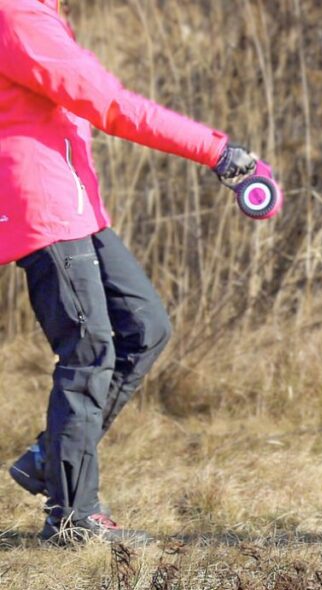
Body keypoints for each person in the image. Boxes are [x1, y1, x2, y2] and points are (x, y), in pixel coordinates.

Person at [0, 0, 259, 544]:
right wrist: (214, 149)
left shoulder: (38, 13)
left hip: (76, 204)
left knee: (144, 327)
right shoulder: (17, 16)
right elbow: (110, 105)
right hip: (42, 205)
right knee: (88, 351)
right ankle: (73, 517)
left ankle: (52, 455)